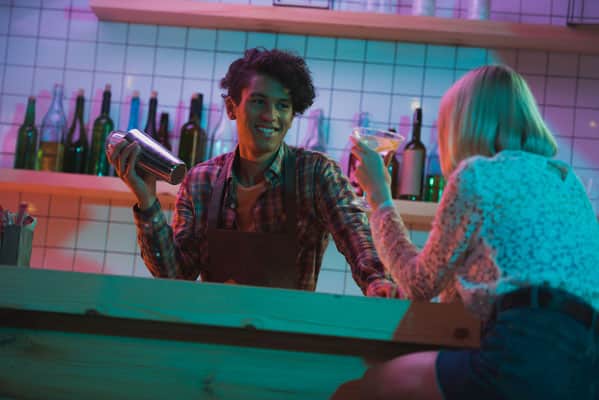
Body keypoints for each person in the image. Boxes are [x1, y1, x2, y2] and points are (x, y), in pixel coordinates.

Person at [336, 65, 599, 399]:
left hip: (527, 348)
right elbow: (492, 274)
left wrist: (379, 196)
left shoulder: (476, 175)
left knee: (366, 387)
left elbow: (419, 283)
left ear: (463, 125)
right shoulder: (565, 179)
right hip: (587, 364)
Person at [108, 47, 398, 297]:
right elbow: (174, 276)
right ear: (232, 107)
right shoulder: (201, 180)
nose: (271, 116)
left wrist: (378, 281)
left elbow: (356, 235)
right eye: (259, 101)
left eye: (283, 105)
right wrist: (146, 200)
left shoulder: (315, 174)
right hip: (214, 339)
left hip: (286, 341)